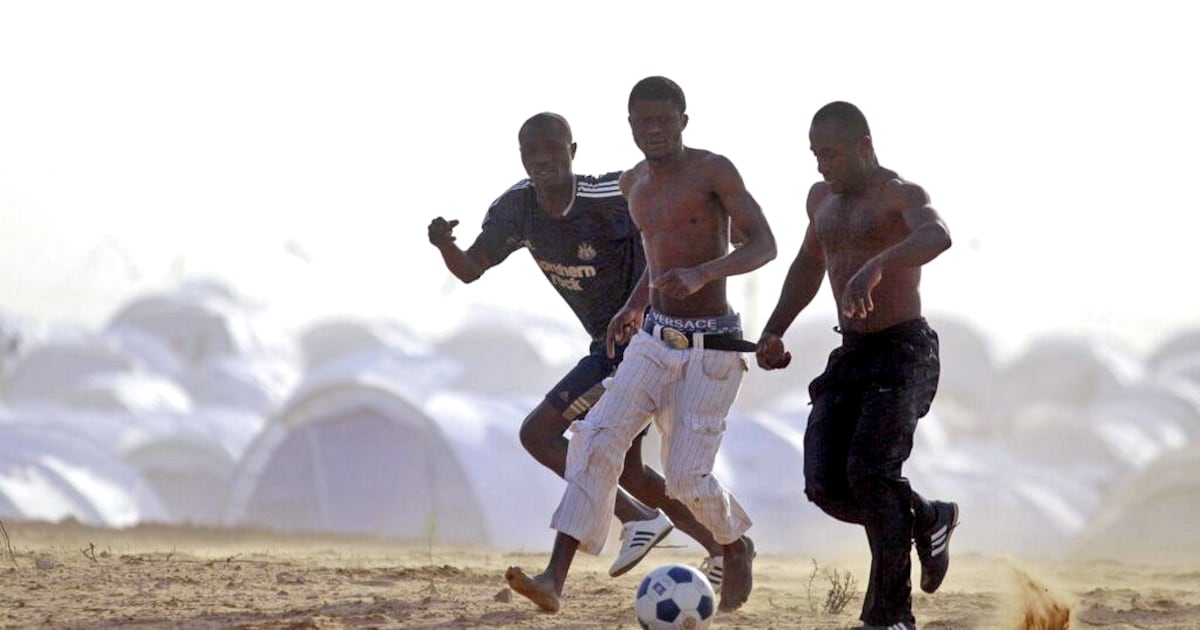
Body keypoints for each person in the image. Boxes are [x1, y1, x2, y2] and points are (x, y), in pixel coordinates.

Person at [505, 76, 775, 613]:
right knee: (595, 442)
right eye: (643, 121)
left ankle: (733, 543)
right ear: (629, 125)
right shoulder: (634, 184)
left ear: (683, 121)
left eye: (663, 119)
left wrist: (703, 273)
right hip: (652, 339)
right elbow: (657, 256)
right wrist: (634, 305)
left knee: (686, 478)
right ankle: (554, 579)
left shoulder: (713, 171)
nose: (653, 129)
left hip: (712, 345)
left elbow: (764, 245)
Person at [427, 112, 729, 583]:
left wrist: (652, 295)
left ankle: (616, 535)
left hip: (640, 343)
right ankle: (722, 548)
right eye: (532, 151)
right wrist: (445, 246)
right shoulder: (517, 208)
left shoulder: (609, 197)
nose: (543, 159)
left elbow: (668, 211)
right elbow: (471, 268)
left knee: (541, 434)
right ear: (521, 157)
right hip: (607, 345)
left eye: (553, 148)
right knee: (630, 471)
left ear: (572, 151)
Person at [755, 101, 959, 630]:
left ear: (864, 145)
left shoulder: (900, 194)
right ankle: (928, 516)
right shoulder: (820, 198)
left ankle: (890, 618)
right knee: (826, 483)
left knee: (872, 474)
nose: (822, 165)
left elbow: (937, 235)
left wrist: (879, 263)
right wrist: (774, 328)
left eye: (832, 154)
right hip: (852, 353)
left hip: (903, 352)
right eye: (815, 154)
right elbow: (808, 264)